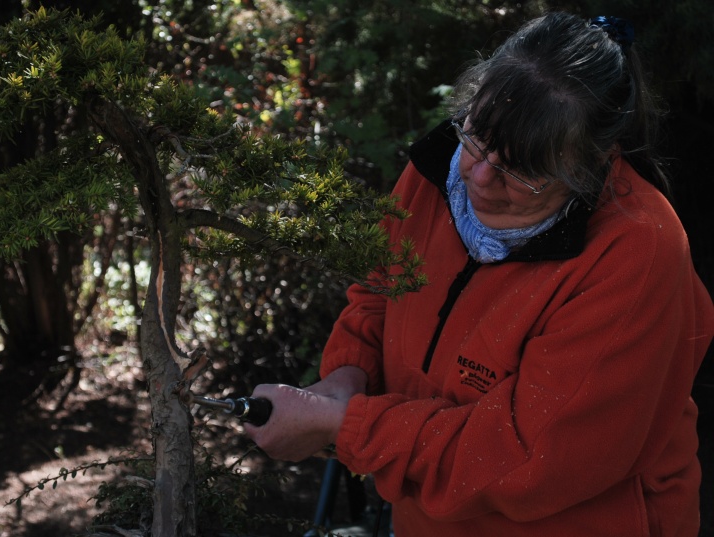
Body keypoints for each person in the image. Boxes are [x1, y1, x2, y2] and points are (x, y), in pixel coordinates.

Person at [244, 11, 714, 537]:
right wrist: (345, 377)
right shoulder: (443, 168)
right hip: (427, 515)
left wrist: (346, 425)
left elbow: (525, 457)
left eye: (522, 169)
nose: (481, 177)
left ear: (589, 164)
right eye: (477, 138)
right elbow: (378, 290)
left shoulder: (636, 254)